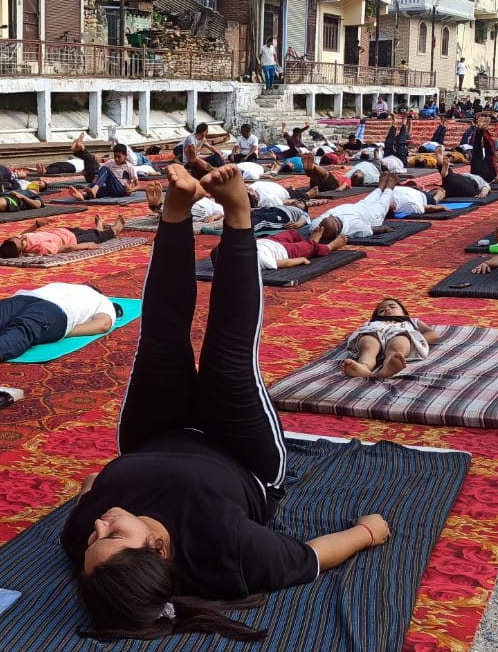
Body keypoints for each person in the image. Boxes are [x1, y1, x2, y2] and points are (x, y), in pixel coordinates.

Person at [61, 163, 390, 642]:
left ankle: (176, 211)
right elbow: (308, 558)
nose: (97, 526)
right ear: (159, 547)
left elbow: (90, 494)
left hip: (153, 436)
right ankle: (239, 212)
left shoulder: (79, 540)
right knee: (229, 359)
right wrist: (368, 533)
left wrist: (98, 489)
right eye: (111, 535)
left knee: (159, 340)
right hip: (241, 453)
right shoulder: (229, 550)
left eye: (93, 539)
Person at [340, 297, 441, 379]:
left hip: (399, 334)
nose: (387, 309)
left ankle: (389, 365)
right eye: (382, 310)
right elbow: (359, 333)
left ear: (404, 313)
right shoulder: (372, 323)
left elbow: (433, 334)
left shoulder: (411, 321)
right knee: (368, 345)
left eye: (392, 307)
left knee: (398, 345)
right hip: (375, 334)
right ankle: (363, 366)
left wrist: (415, 340)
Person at [309, 177, 397, 241]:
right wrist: (385, 229)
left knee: (370, 202)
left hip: (354, 208)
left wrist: (384, 229)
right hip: (365, 214)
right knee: (380, 205)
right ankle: (388, 188)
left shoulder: (316, 225)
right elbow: (373, 229)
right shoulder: (352, 228)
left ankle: (381, 188)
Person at [0, 215, 123, 258]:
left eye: (18, 238)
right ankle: (114, 230)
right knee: (97, 237)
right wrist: (86, 246)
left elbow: (24, 233)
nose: (22, 238)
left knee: (88, 232)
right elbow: (65, 248)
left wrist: (36, 224)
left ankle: (98, 229)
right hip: (72, 240)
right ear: (21, 252)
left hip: (63, 231)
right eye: (22, 242)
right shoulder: (41, 248)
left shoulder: (21, 238)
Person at [250, 228, 348, 269]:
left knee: (292, 233)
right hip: (284, 251)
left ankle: (308, 244)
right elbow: (282, 263)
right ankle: (329, 247)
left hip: (267, 241)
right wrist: (300, 259)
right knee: (310, 246)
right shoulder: (255, 260)